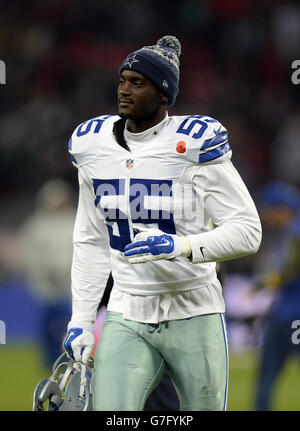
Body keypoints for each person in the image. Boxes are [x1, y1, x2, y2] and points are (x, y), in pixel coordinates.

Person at [63, 35, 262, 411]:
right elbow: (90, 240)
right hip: (127, 307)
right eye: (123, 80)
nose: (124, 90)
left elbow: (248, 231)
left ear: (164, 95)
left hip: (194, 308)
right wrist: (82, 320)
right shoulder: (92, 146)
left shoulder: (193, 144)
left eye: (138, 83)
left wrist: (181, 246)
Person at [18, 178, 75, 367]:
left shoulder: (74, 221)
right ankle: (49, 360)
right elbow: (29, 254)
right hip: (45, 287)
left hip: (70, 286)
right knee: (47, 326)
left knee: (69, 324)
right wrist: (42, 272)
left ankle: (68, 358)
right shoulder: (36, 226)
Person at [254, 181, 300, 411]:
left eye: (269, 210)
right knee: (267, 374)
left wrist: (261, 283)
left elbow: (289, 271)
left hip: (291, 317)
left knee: (267, 375)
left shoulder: (295, 233)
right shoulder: (289, 232)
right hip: (285, 313)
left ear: (281, 208)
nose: (266, 216)